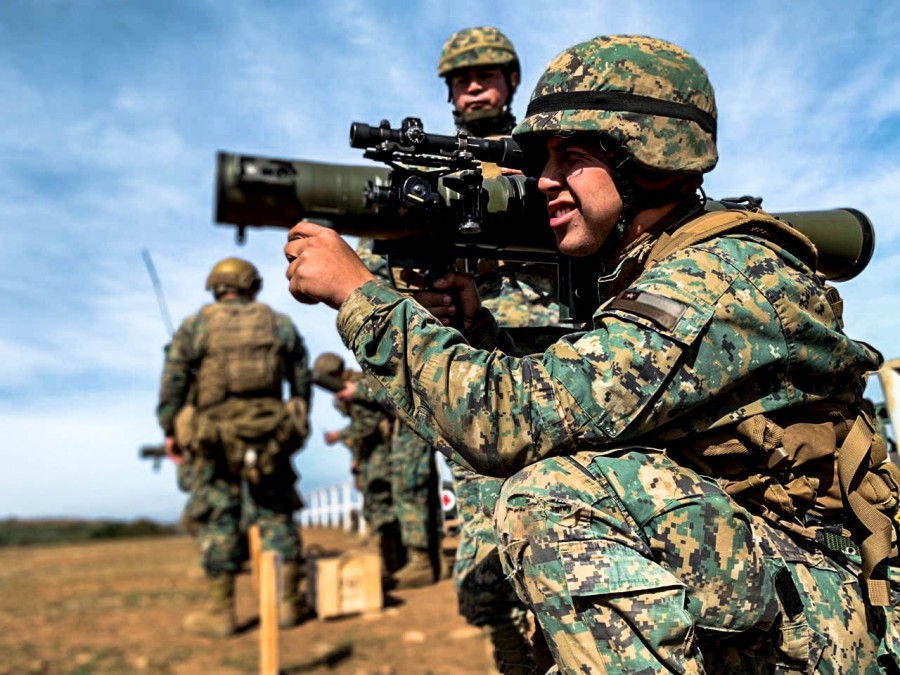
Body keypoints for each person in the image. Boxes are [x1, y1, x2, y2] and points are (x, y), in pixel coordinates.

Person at [285, 34, 900, 672]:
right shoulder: (652, 266)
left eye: (570, 156)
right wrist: (481, 333)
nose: (545, 181)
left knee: (552, 499)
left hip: (826, 610)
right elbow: (592, 402)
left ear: (650, 159)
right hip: (767, 576)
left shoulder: (714, 275)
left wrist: (359, 295)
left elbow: (513, 421)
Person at [438, 25, 557, 674]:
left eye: (486, 72)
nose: (474, 84)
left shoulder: (549, 156)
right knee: (488, 553)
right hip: (478, 371)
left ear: (512, 80)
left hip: (573, 362)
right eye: (461, 77)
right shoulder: (428, 167)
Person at [158, 257, 311, 637]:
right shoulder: (279, 323)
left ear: (216, 287)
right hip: (272, 434)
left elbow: (174, 378)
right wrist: (295, 418)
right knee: (277, 513)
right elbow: (301, 376)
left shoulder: (197, 325)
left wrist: (170, 427)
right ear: (253, 286)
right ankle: (288, 604)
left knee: (219, 516)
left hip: (214, 436)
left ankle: (220, 612)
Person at [315, 352, 406, 580]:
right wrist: (356, 455)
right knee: (379, 505)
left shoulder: (355, 386)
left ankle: (391, 565)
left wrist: (340, 435)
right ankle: (393, 563)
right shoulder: (355, 384)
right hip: (373, 452)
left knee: (381, 506)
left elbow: (369, 424)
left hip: (382, 452)